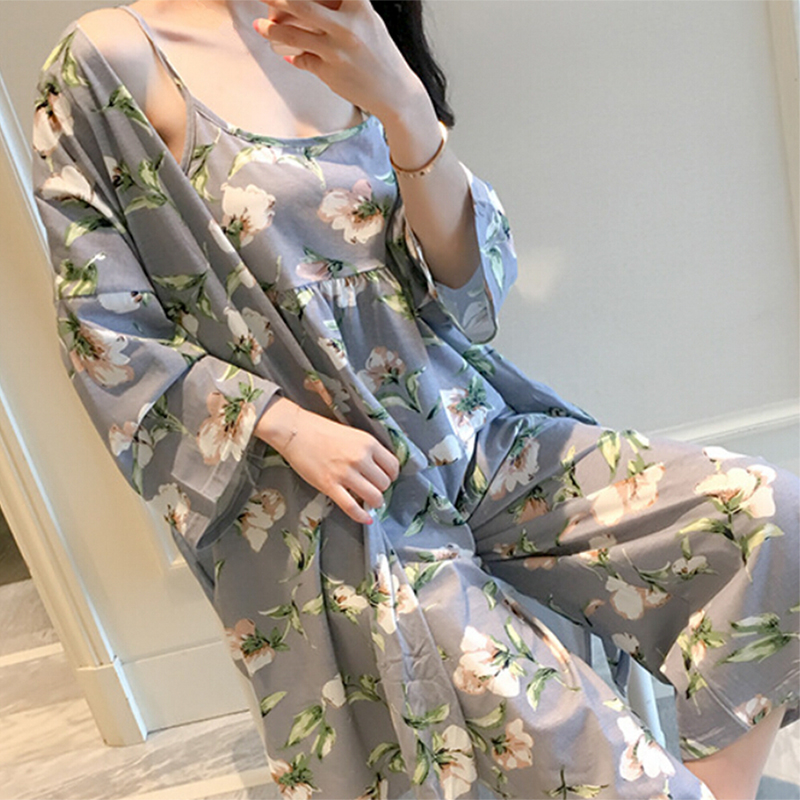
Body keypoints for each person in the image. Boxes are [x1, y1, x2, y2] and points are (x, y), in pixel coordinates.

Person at [31, 1, 799, 798]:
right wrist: (286, 427)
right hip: (331, 501)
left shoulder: (356, 27)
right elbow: (100, 328)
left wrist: (405, 108)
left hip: (470, 439)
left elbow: (468, 292)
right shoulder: (116, 58)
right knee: (583, 752)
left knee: (770, 519)